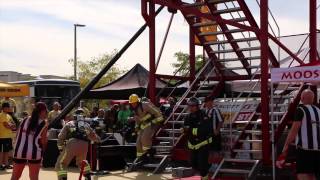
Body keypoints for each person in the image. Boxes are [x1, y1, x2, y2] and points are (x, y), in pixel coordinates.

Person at [277, 89, 320, 180]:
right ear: (313, 98)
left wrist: (285, 147)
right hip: (317, 150)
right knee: (312, 175)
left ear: (302, 98)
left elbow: (294, 130)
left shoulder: (301, 110)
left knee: (302, 174)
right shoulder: (318, 111)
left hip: (304, 150)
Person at [55, 108, 100, 180]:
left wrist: (61, 148)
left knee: (61, 163)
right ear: (84, 116)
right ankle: (88, 176)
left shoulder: (69, 123)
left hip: (72, 143)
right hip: (84, 145)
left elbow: (61, 137)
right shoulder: (86, 125)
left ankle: (63, 178)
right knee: (81, 163)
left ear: (74, 116)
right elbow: (94, 136)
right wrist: (99, 140)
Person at [11, 102, 48, 180]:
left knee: (15, 176)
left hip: (19, 150)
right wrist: (43, 152)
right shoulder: (43, 123)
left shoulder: (24, 119)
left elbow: (17, 134)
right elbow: (43, 141)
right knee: (34, 177)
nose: (46, 113)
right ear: (42, 111)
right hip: (34, 152)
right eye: (46, 111)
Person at [183, 97, 213, 180]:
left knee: (202, 165)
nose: (190, 108)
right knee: (193, 164)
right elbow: (185, 129)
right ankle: (207, 166)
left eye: (193, 106)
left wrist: (190, 130)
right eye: (189, 106)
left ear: (197, 106)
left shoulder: (203, 115)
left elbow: (204, 130)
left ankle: (205, 177)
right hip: (193, 144)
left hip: (203, 143)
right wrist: (185, 130)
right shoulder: (188, 117)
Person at [128, 94, 164, 164]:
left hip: (152, 123)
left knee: (144, 139)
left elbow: (157, 111)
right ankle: (141, 158)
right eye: (131, 103)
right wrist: (136, 128)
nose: (132, 104)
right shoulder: (134, 110)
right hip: (143, 126)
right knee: (138, 143)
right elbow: (137, 120)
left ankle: (150, 156)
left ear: (137, 102)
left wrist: (159, 120)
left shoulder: (145, 105)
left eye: (134, 103)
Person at [0, 102, 16, 170]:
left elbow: (14, 124)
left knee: (6, 151)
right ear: (4, 108)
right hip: (2, 136)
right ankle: (0, 165)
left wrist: (11, 126)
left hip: (8, 136)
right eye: (8, 107)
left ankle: (6, 164)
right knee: (1, 151)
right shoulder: (2, 115)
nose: (10, 108)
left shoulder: (8, 115)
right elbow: (6, 125)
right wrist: (11, 126)